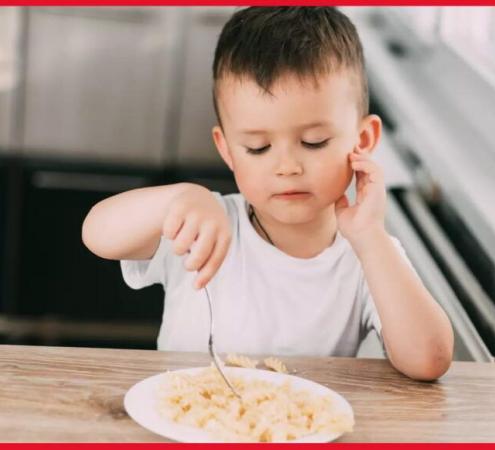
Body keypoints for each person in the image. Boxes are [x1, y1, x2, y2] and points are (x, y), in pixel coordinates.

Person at [82, 7, 453, 380]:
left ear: (363, 140)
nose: (287, 166)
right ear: (227, 150)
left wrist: (371, 238)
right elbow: (97, 234)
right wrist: (178, 197)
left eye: (314, 142)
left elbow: (429, 360)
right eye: (258, 148)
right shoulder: (199, 223)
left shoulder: (367, 256)